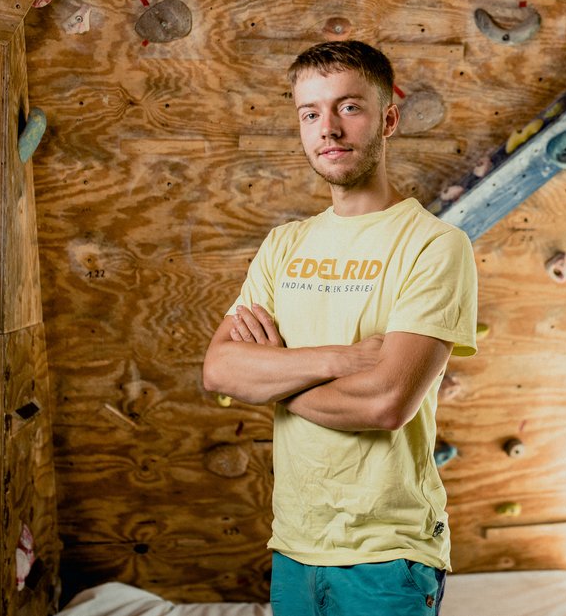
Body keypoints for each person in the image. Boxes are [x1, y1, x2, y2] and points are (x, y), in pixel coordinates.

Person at [202, 40, 478, 616]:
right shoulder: (285, 244)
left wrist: (273, 381)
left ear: (389, 119)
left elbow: (385, 404)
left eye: (349, 107)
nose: (328, 128)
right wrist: (338, 360)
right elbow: (219, 368)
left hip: (389, 552)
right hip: (295, 543)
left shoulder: (434, 245)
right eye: (311, 114)